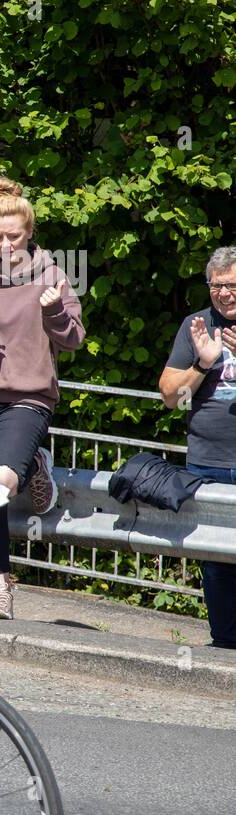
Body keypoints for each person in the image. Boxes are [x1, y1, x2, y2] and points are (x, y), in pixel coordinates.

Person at [0, 177, 85, 619]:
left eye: (14, 236)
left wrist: (53, 310)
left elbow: (74, 340)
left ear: (30, 233)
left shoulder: (53, 276)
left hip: (30, 396)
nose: (6, 244)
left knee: (1, 482)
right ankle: (2, 588)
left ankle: (27, 467)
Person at [159, 245, 236, 648]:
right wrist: (204, 364)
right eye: (217, 285)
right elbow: (171, 396)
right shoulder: (197, 326)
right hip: (209, 461)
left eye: (233, 285)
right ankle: (224, 646)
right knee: (218, 561)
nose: (225, 294)